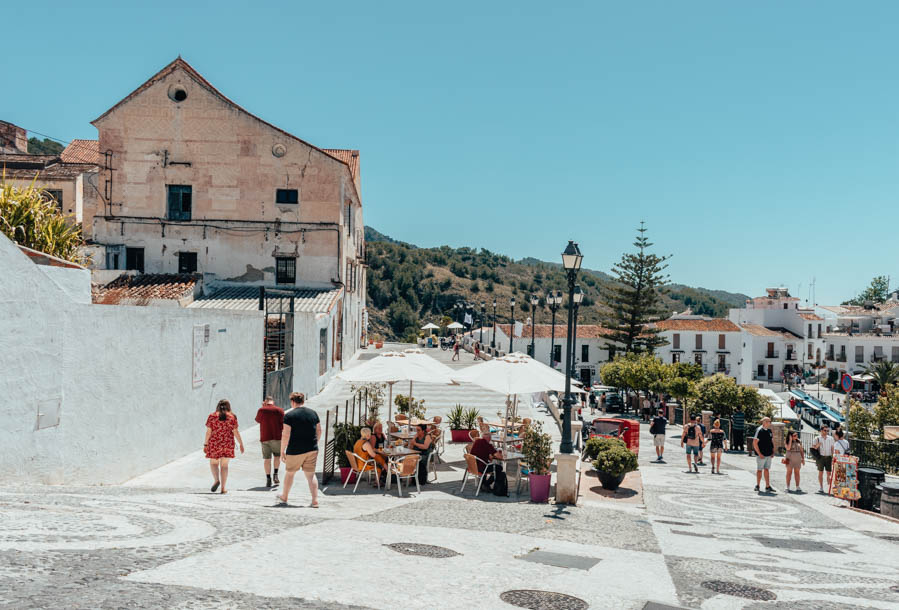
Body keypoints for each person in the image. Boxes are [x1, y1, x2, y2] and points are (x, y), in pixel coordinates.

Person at [277, 392, 321, 508]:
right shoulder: (313, 413)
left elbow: (286, 434)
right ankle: (315, 500)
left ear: (292, 402)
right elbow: (319, 431)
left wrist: (282, 450)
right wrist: (315, 443)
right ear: (303, 401)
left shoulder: (289, 416)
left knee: (290, 473)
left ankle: (284, 496)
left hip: (295, 449)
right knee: (311, 475)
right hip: (312, 448)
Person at [204, 399, 244, 494]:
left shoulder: (212, 416)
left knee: (214, 463)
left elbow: (208, 432)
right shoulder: (232, 417)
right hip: (227, 444)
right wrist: (241, 444)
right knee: (224, 466)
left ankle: (216, 480)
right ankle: (223, 488)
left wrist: (205, 444)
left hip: (214, 443)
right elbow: (235, 432)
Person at [255, 396, 285, 488]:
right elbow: (283, 423)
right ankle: (275, 474)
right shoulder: (280, 410)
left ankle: (268, 479)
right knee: (277, 456)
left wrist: (263, 407)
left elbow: (258, 420)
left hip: (265, 437)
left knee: (267, 459)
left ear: (265, 401)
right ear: (273, 402)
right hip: (277, 437)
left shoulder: (261, 410)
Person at [752, 417, 775, 493]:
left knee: (767, 469)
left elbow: (771, 441)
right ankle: (757, 485)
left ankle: (767, 486)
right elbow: (755, 443)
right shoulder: (759, 430)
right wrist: (759, 453)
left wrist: (772, 451)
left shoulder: (769, 430)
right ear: (764, 422)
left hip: (768, 454)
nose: (770, 423)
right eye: (769, 421)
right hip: (761, 454)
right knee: (759, 470)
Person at [811, 425, 834, 494]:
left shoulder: (830, 438)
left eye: (827, 431)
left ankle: (829, 488)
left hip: (828, 457)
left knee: (829, 473)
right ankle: (821, 488)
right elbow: (813, 447)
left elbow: (832, 448)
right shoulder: (817, 438)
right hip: (820, 457)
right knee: (820, 472)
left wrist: (833, 457)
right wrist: (818, 445)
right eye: (825, 430)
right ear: (821, 431)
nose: (826, 432)